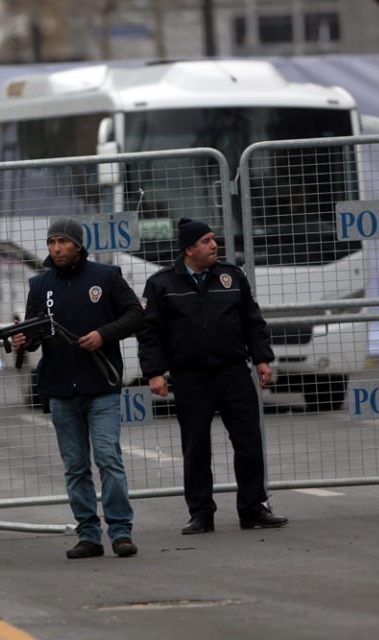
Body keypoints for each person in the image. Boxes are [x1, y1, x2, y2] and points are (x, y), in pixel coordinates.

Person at [137, 218, 289, 535]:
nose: (213, 244)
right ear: (189, 249)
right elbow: (150, 332)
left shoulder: (231, 277)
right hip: (190, 376)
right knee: (196, 447)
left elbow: (252, 321)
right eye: (206, 240)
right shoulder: (162, 283)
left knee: (248, 441)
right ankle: (201, 513)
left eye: (213, 239)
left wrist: (262, 358)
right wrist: (154, 372)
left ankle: (252, 508)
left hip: (232, 371)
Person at [12, 218, 145, 559]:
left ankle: (120, 532)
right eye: (51, 242)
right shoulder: (40, 284)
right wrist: (23, 339)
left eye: (63, 242)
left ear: (78, 245)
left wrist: (104, 334)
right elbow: (33, 335)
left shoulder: (106, 277)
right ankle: (88, 534)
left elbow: (136, 315)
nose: (56, 248)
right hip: (60, 389)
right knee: (75, 466)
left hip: (101, 387)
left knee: (108, 458)